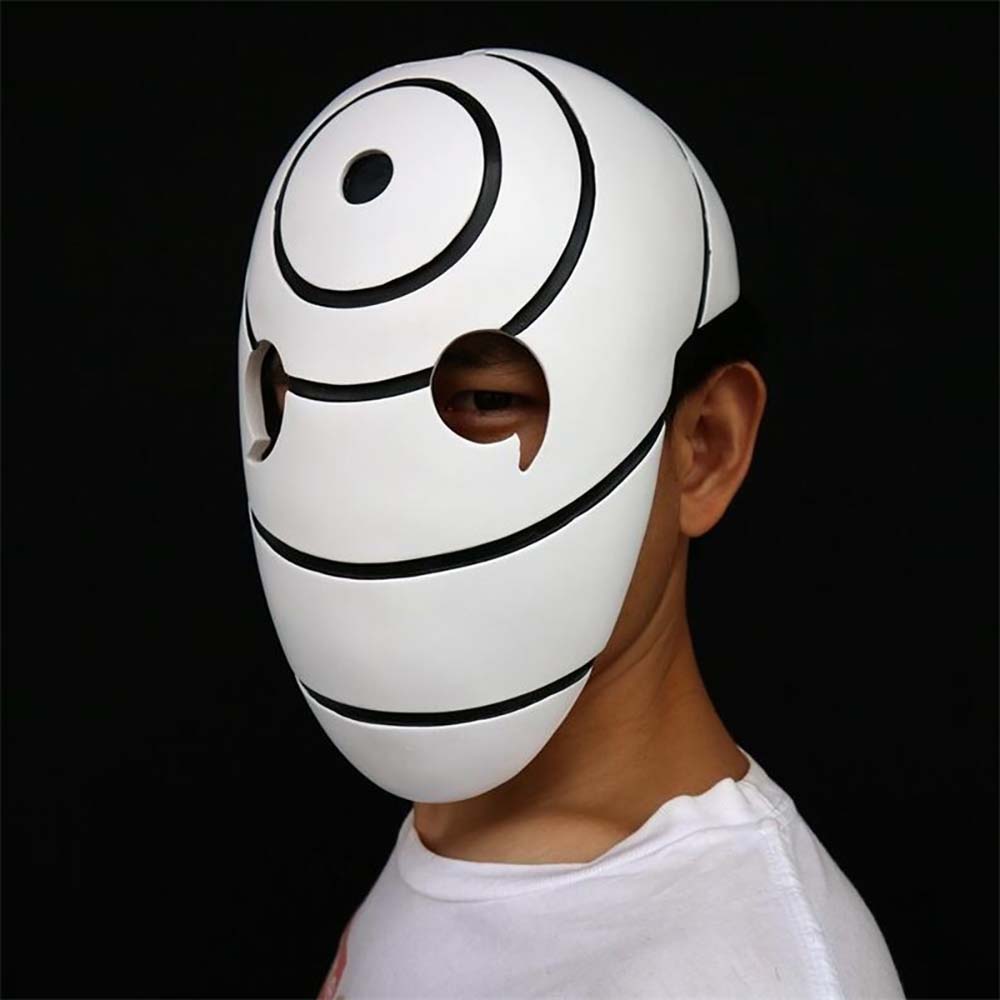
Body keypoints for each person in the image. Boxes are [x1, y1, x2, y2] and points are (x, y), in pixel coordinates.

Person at [241, 49, 905, 999]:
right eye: (296, 400)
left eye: (483, 398)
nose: (362, 480)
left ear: (704, 447)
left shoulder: (747, 968)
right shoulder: (456, 822)